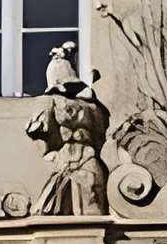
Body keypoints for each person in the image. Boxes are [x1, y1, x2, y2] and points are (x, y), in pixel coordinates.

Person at [24, 44, 111, 216]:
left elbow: (38, 131)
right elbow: (39, 130)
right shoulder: (88, 106)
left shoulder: (90, 106)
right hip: (68, 163)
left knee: (91, 210)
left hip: (85, 160)